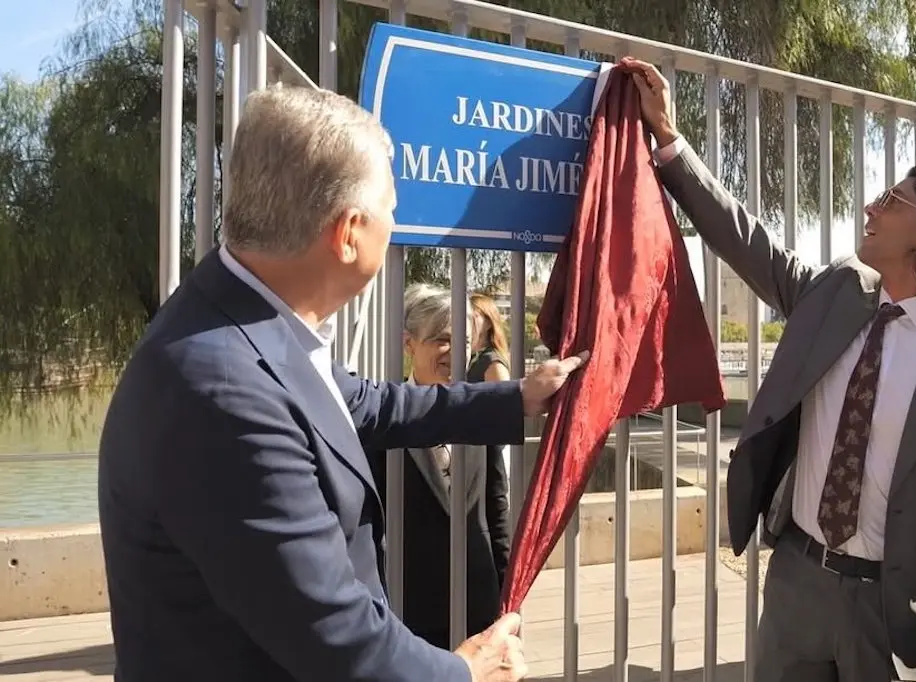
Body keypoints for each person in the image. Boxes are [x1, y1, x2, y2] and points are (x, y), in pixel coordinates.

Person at [96, 85, 585, 682]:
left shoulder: (244, 320)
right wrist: (464, 670)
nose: (397, 223)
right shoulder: (224, 391)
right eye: (393, 209)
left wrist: (518, 397)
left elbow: (369, 403)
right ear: (350, 231)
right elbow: (335, 637)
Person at [625, 57, 916, 682]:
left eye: (891, 201)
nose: (870, 206)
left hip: (894, 617)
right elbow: (747, 241)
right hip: (796, 585)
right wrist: (670, 141)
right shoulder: (835, 293)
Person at [365, 283, 511, 651]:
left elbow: (497, 507)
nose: (454, 351)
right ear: (408, 343)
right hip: (406, 609)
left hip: (478, 602)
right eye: (442, 339)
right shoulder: (380, 421)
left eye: (463, 340)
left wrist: (508, 588)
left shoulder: (481, 414)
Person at [469, 293, 511, 382]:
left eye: (473, 316)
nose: (466, 321)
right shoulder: (464, 357)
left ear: (488, 323)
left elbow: (502, 394)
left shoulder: (492, 363)